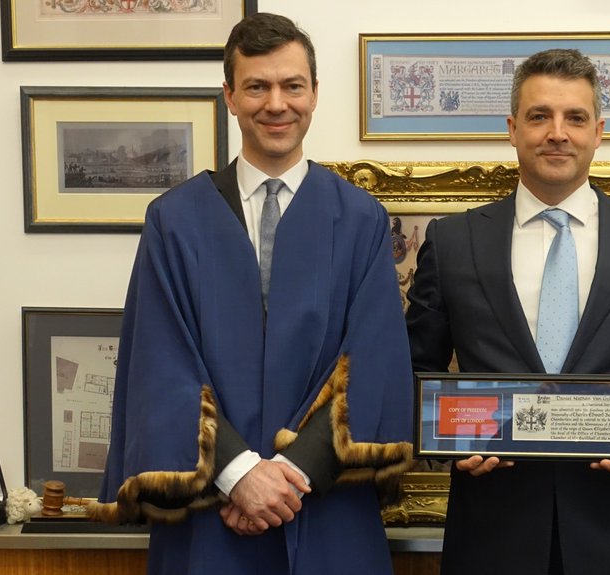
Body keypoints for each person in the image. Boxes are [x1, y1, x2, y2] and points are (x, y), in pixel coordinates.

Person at [94, 13, 413, 575]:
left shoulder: (361, 219)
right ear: (229, 97)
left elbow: (375, 361)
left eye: (292, 85)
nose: (276, 103)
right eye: (256, 86)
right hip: (209, 519)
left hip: (327, 509)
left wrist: (285, 482)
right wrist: (240, 474)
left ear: (314, 93)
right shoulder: (174, 221)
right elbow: (158, 365)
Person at [405, 48, 610, 575]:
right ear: (512, 127)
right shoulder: (453, 241)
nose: (557, 132)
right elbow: (409, 370)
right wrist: (447, 445)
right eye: (539, 116)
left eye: (574, 118)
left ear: (598, 131)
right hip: (492, 537)